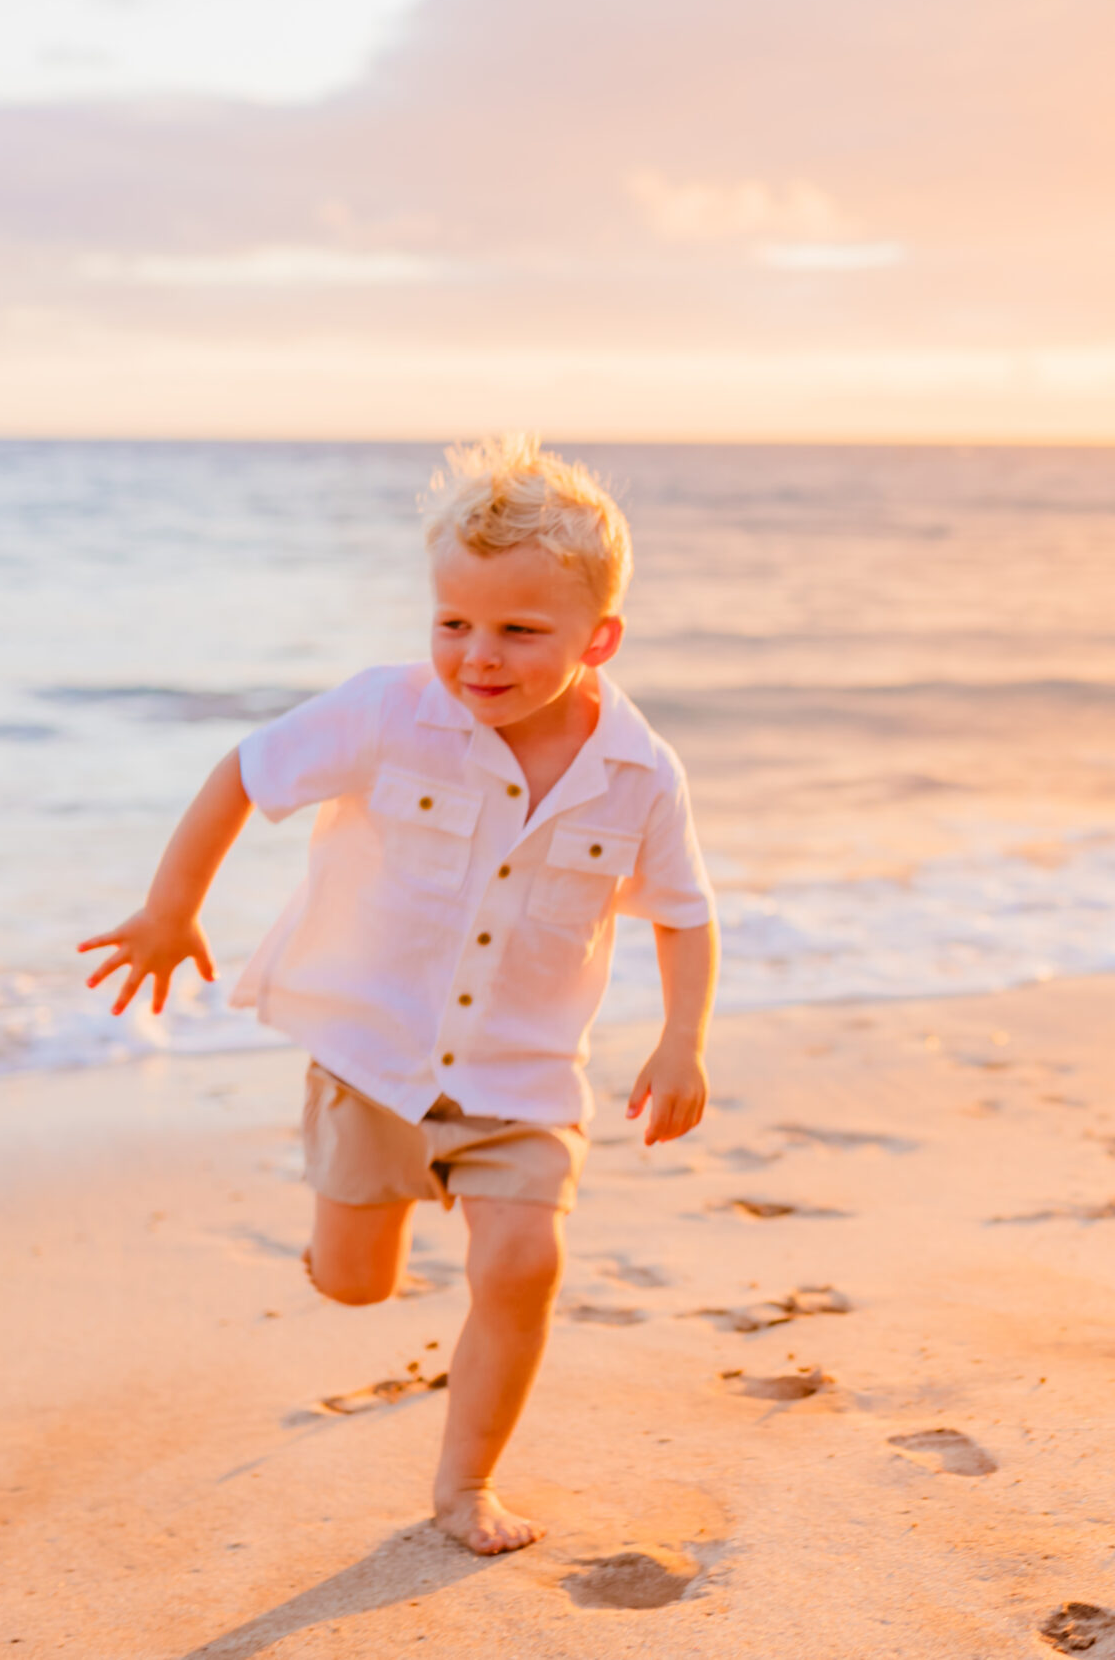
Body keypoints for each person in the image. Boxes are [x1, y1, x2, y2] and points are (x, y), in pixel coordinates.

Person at [78, 436, 720, 1555]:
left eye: (520, 631)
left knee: (523, 1264)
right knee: (356, 1288)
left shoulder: (639, 772)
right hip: (373, 1060)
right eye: (451, 622)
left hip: (521, 1074)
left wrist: (681, 1043)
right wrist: (172, 910)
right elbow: (243, 770)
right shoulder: (384, 712)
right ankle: (350, 1230)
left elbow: (683, 911)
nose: (478, 655)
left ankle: (464, 1486)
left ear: (596, 638)